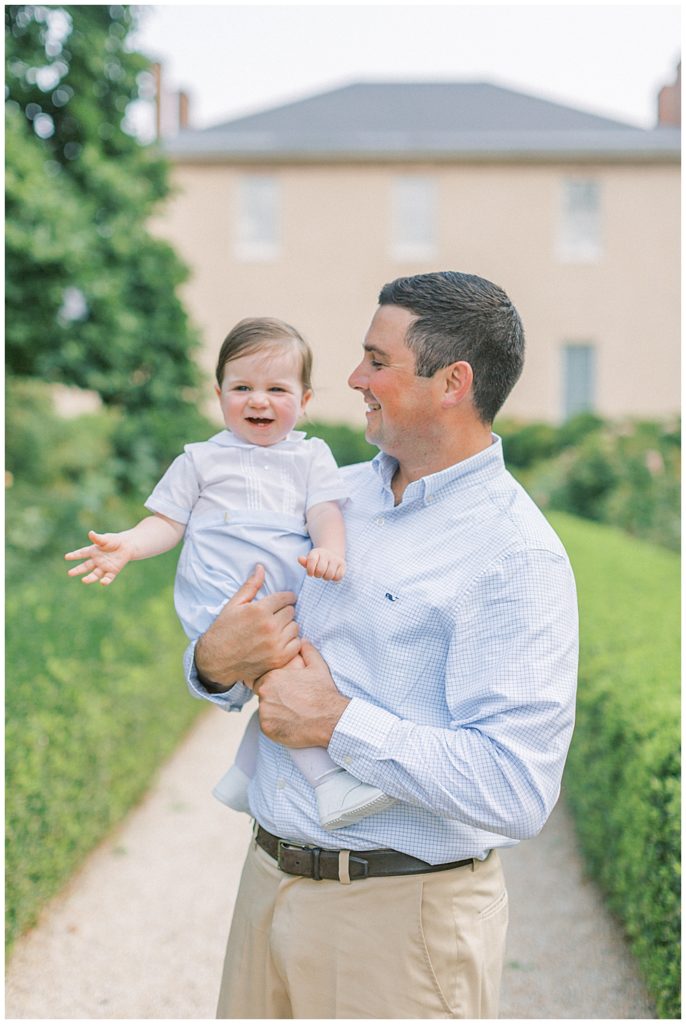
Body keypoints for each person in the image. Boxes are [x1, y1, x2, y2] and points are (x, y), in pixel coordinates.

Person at [187, 271, 579, 1020]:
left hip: (402, 923)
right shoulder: (333, 496)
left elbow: (517, 789)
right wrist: (212, 661)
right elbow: (243, 655)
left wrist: (338, 722)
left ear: (452, 382)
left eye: (376, 359)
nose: (352, 378)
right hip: (267, 885)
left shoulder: (515, 555)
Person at [64, 317, 394, 831]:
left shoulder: (311, 456)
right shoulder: (201, 460)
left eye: (276, 389)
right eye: (242, 388)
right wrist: (128, 544)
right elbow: (167, 522)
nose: (258, 401)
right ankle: (331, 784)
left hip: (288, 599)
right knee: (279, 675)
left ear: (305, 399)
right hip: (223, 601)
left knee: (296, 676)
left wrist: (331, 548)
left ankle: (244, 773)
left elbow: (324, 512)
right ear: (219, 395)